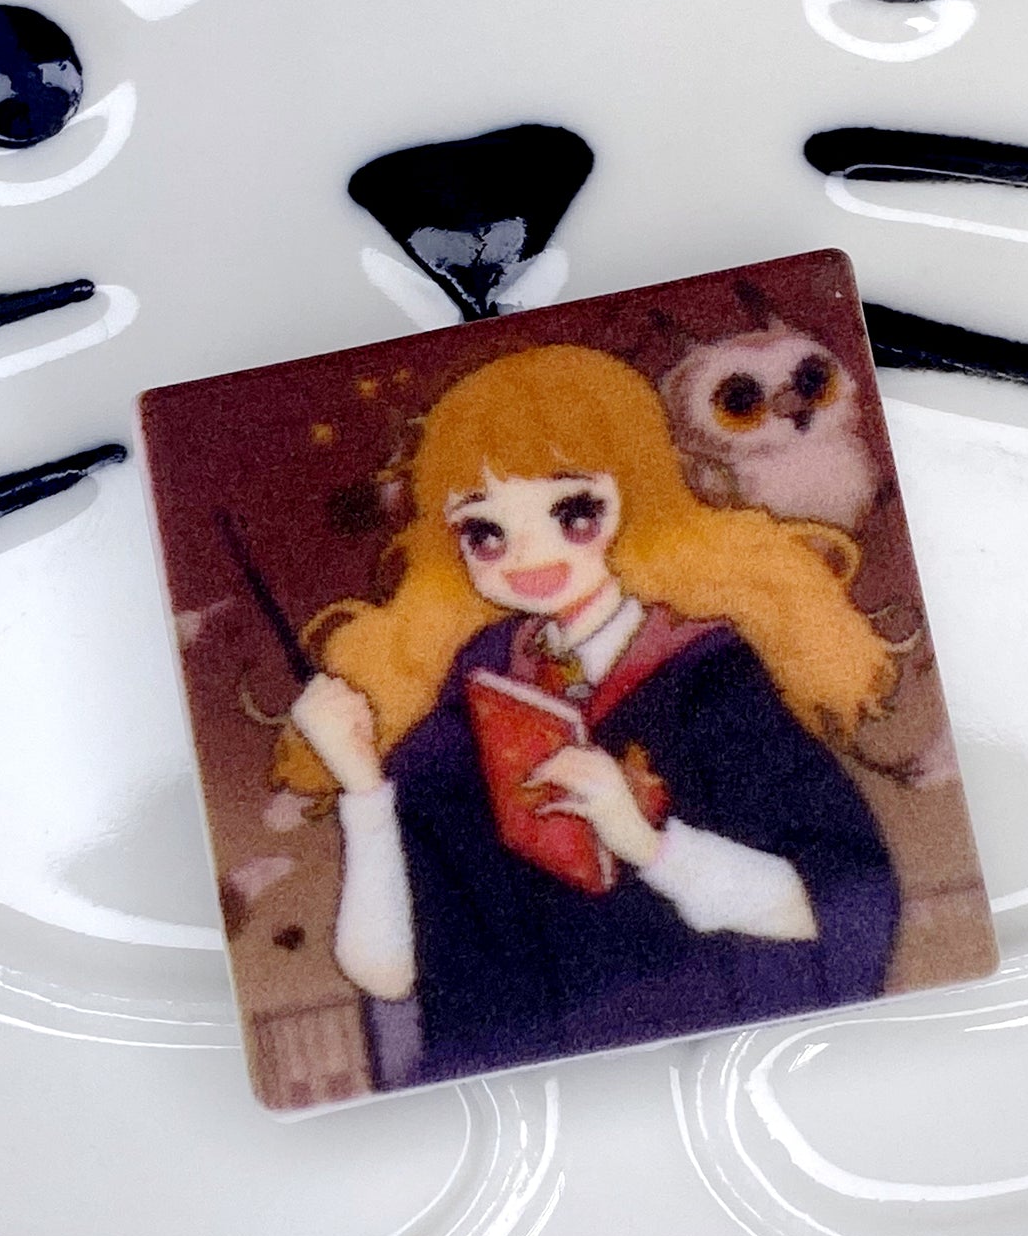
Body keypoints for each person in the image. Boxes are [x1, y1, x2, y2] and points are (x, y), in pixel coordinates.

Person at [276, 343, 901, 1083]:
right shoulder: (470, 696)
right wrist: (364, 789)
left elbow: (842, 903)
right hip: (535, 1083)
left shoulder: (708, 677)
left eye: (572, 512)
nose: (527, 555)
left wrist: (646, 843)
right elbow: (387, 972)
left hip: (705, 1058)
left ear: (638, 497)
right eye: (485, 532)